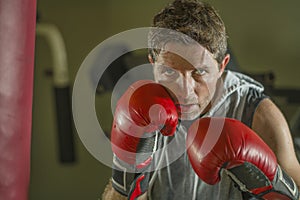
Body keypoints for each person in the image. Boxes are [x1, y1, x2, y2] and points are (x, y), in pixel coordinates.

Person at [102, 0, 300, 199]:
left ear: (222, 66)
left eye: (199, 72)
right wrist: (125, 176)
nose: (185, 91)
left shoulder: (259, 115)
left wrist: (272, 187)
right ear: (153, 63)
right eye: (169, 72)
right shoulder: (141, 111)